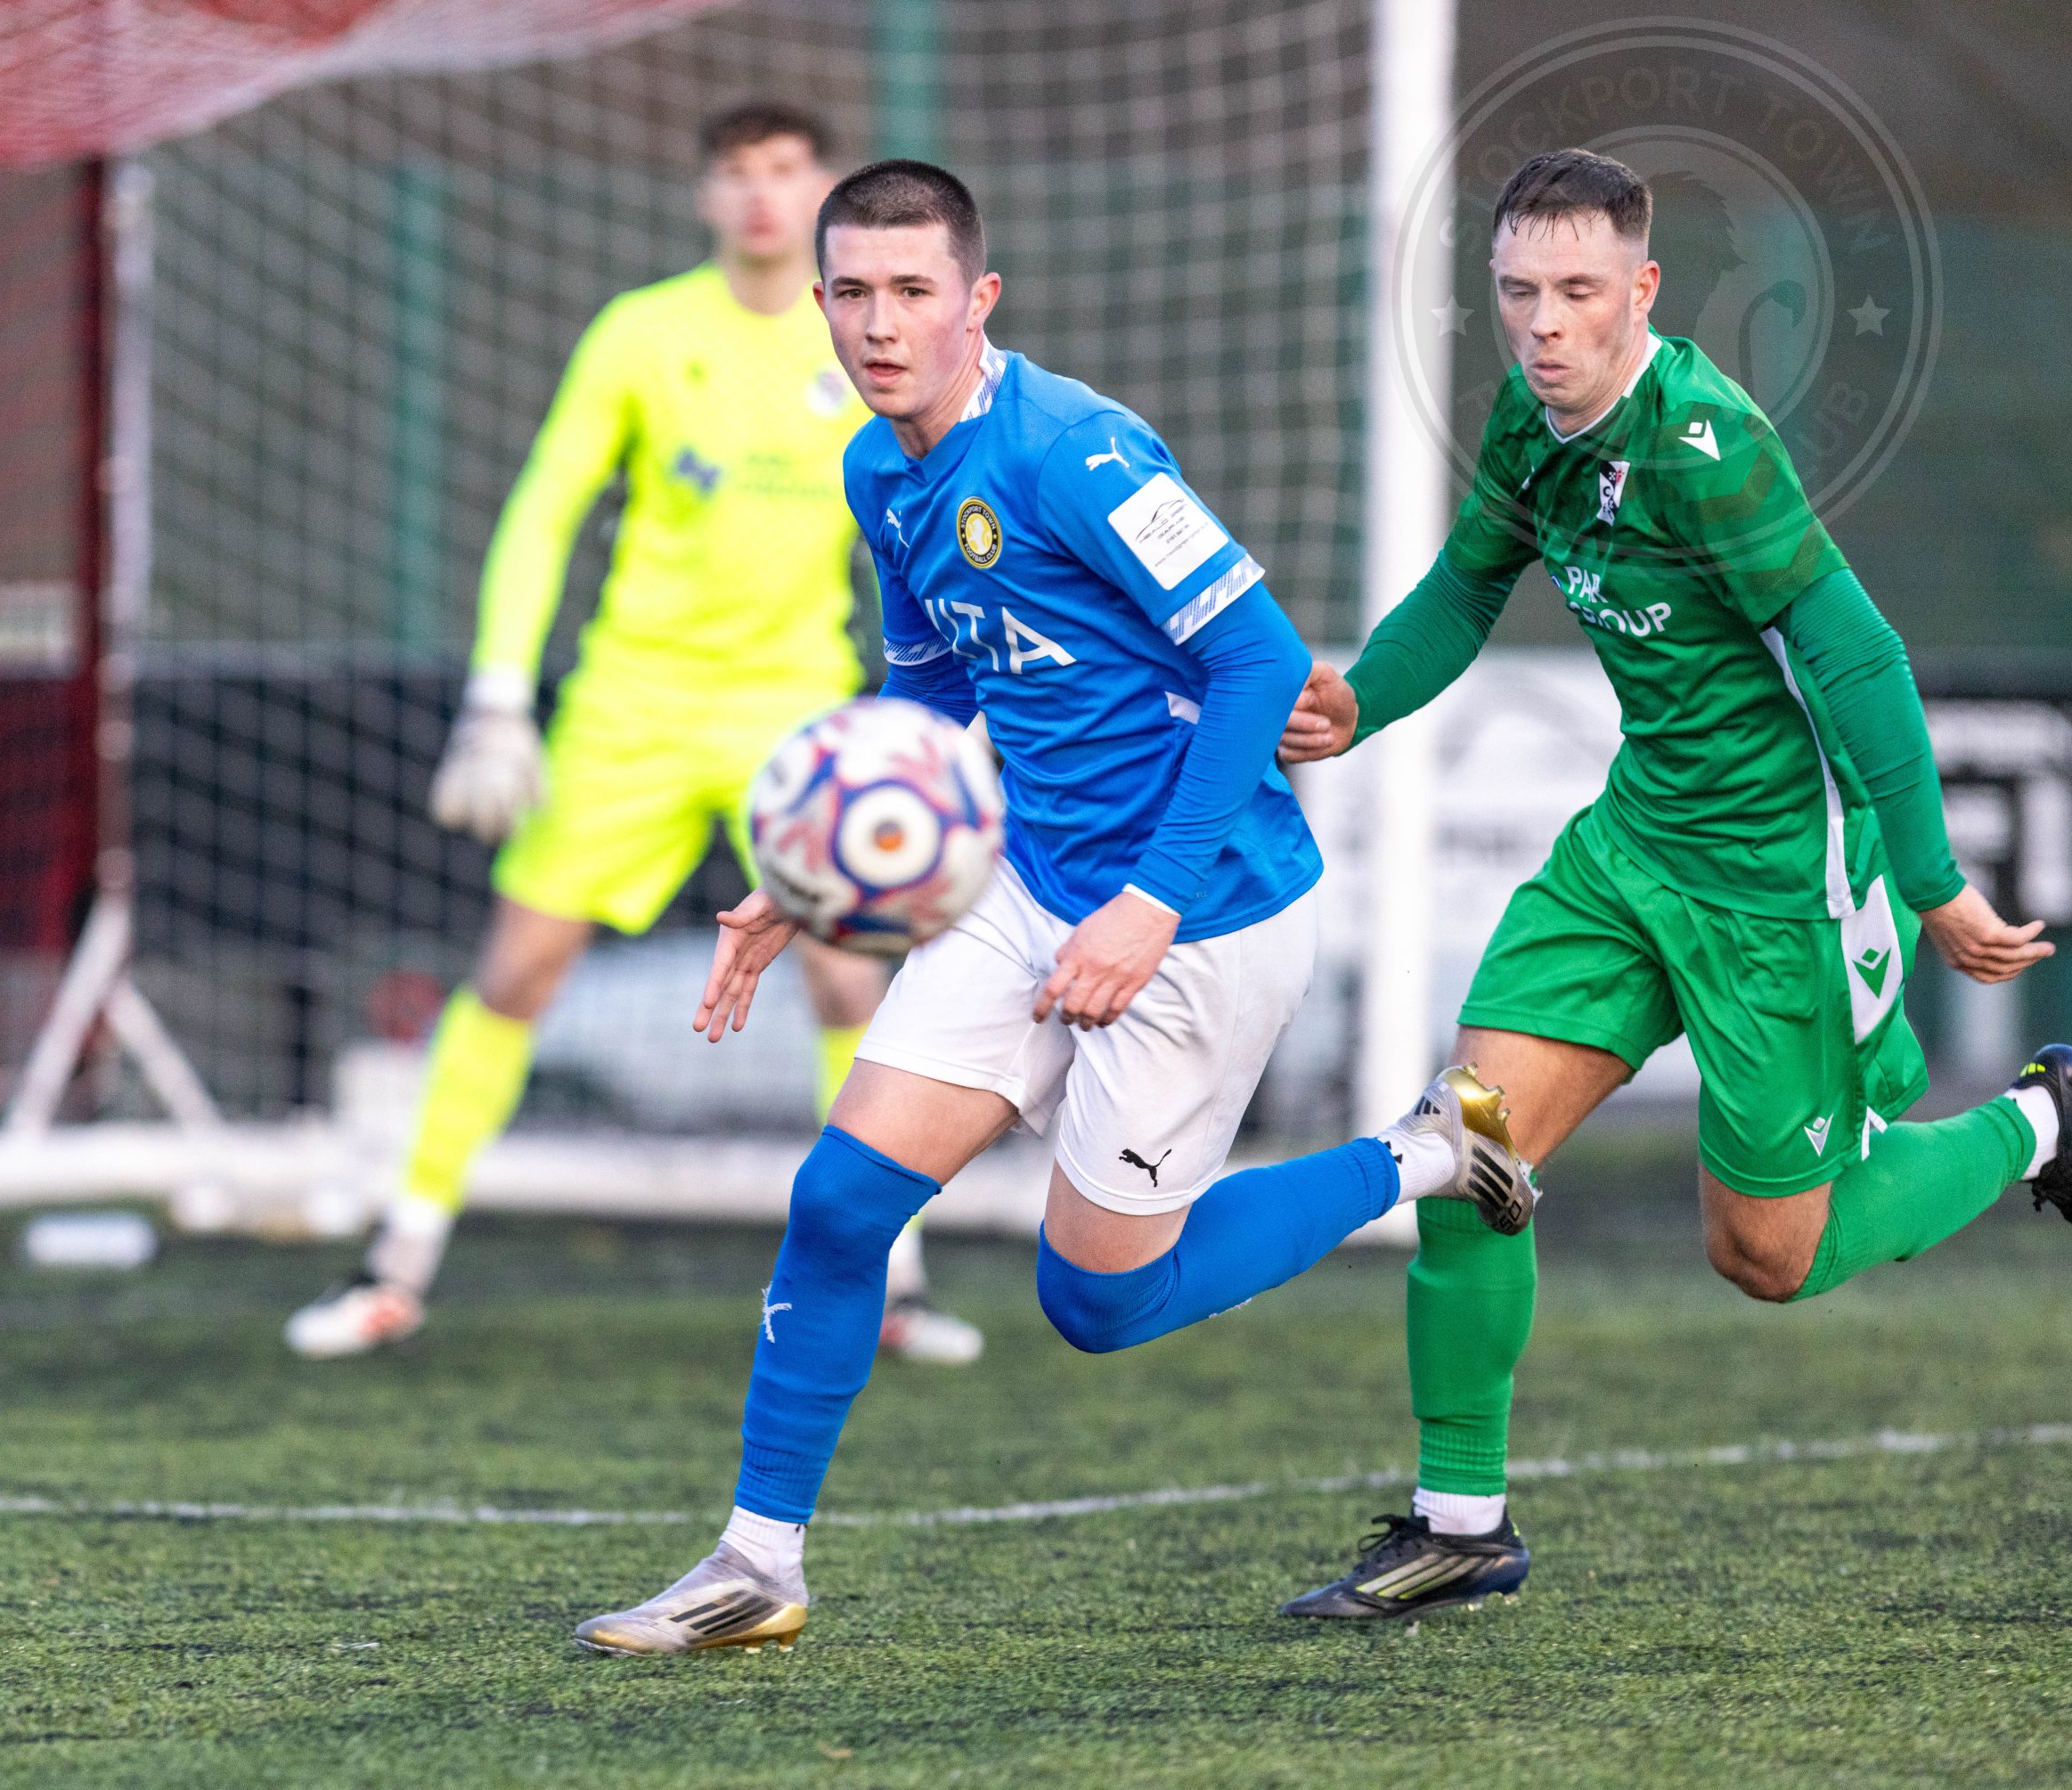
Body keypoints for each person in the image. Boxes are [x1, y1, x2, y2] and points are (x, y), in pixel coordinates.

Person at [570, 159, 1539, 1657]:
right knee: (839, 1202)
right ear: (819, 302)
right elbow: (933, 683)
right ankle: (757, 1564)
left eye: (912, 292)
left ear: (978, 301)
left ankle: (1427, 1151)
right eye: (852, 292)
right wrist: (812, 867)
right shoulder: (878, 467)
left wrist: (1150, 903)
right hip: (1025, 884)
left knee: (1099, 1303)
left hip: (1205, 912)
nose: (880, 324)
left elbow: (1262, 663)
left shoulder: (1075, 450)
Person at [1278, 148, 2068, 1622]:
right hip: (1636, 846)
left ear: (1643, 289)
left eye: (1579, 291)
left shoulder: (1711, 447)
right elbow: (1466, 586)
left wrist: (1932, 881)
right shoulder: (1529, 419)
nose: (1545, 324)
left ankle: (2045, 1120)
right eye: (1518, 291)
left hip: (1779, 884)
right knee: (1469, 1138)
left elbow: (1860, 656)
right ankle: (1462, 1525)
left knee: (1768, 1254)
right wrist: (1359, 701)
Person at [284, 103, 982, 1367]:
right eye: (736, 174)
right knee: (516, 971)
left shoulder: (871, 344)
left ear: (823, 191)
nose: (761, 196)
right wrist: (500, 695)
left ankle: (894, 1281)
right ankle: (396, 1263)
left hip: (798, 709)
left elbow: (944, 517)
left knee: (847, 978)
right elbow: (545, 506)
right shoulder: (641, 333)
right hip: (632, 704)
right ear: (705, 196)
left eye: (785, 172)